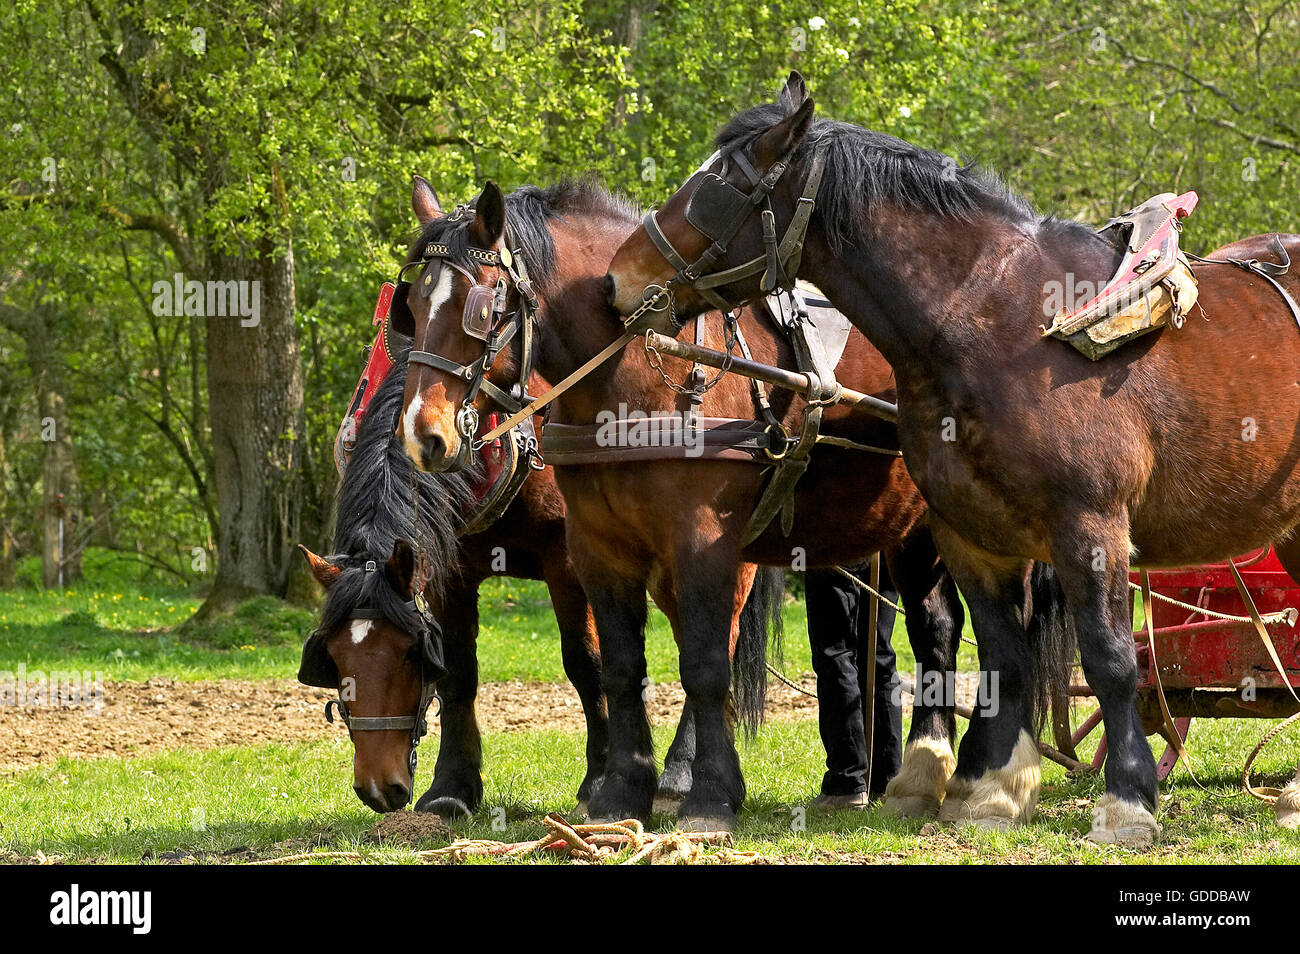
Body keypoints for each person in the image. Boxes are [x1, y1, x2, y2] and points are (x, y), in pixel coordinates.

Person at [804, 558, 902, 809]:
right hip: (884, 535)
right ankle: (887, 778)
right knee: (880, 655)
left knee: (835, 653)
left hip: (838, 539)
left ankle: (847, 782)